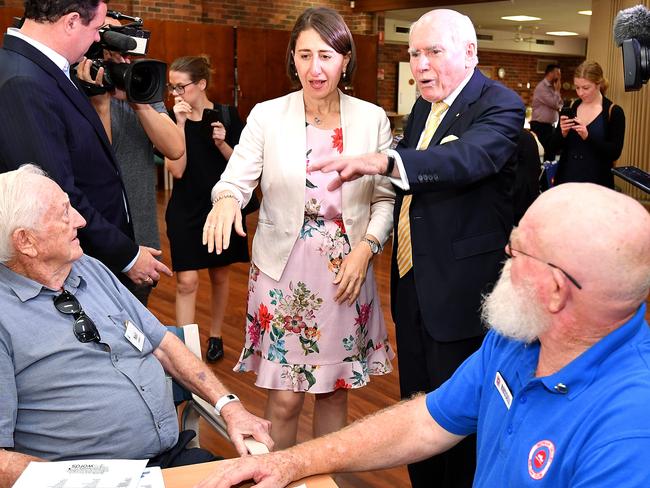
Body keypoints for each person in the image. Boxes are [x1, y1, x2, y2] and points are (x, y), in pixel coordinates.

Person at [196, 182, 650, 488]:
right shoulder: (520, 336)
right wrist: (288, 461)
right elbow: (426, 421)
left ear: (555, 291)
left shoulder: (629, 437)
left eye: (518, 251)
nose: (505, 260)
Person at [309, 9, 524, 487]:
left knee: (460, 423)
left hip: (463, 293)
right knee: (417, 408)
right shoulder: (425, 107)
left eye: (433, 52)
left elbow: (465, 159)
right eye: (414, 53)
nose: (421, 64)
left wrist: (384, 159)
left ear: (470, 53)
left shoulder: (500, 104)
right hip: (414, 285)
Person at [0, 165, 273, 487]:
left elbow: (164, 344)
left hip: (170, 463)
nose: (80, 220)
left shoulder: (89, 268)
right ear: (26, 242)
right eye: (63, 214)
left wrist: (231, 406)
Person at [203, 7, 395, 451]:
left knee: (332, 394)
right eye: (305, 55)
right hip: (283, 271)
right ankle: (280, 477)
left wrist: (365, 249)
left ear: (345, 59)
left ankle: (324, 478)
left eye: (326, 55)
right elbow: (234, 179)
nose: (315, 68)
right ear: (293, 59)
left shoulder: (371, 119)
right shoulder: (268, 116)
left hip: (347, 271)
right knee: (286, 400)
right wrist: (227, 198)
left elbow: (384, 199)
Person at [0, 0, 172, 290]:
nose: (97, 38)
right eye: (95, 29)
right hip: (77, 265)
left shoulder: (37, 67)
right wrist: (127, 256)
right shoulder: (25, 82)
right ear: (70, 21)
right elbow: (59, 197)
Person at [76, 16, 185, 305]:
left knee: (136, 330)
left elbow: (175, 148)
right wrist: (100, 103)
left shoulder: (140, 83)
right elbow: (98, 161)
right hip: (94, 243)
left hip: (141, 240)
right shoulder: (75, 87)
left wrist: (138, 100)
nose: (117, 55)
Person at [164, 55, 250, 362]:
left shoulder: (226, 115)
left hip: (220, 208)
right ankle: (187, 351)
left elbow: (244, 170)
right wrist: (180, 123)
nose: (175, 94)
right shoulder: (173, 119)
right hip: (185, 209)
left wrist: (223, 144)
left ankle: (215, 335)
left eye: (181, 87)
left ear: (200, 84)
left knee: (219, 276)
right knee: (186, 281)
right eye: (172, 87)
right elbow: (176, 170)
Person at [551, 60, 625, 189]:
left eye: (586, 88)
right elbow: (554, 146)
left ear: (598, 85)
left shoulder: (614, 112)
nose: (580, 93)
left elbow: (614, 152)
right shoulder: (571, 107)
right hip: (567, 179)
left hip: (596, 182)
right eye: (577, 87)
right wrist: (562, 133)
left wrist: (588, 137)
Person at [530, 64, 563, 161]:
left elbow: (561, 104)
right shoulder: (542, 87)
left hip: (548, 126)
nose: (559, 76)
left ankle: (548, 175)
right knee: (546, 151)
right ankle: (544, 175)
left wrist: (556, 92)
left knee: (551, 152)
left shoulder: (551, 87)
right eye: (558, 73)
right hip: (540, 126)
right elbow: (555, 104)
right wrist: (557, 91)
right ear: (551, 73)